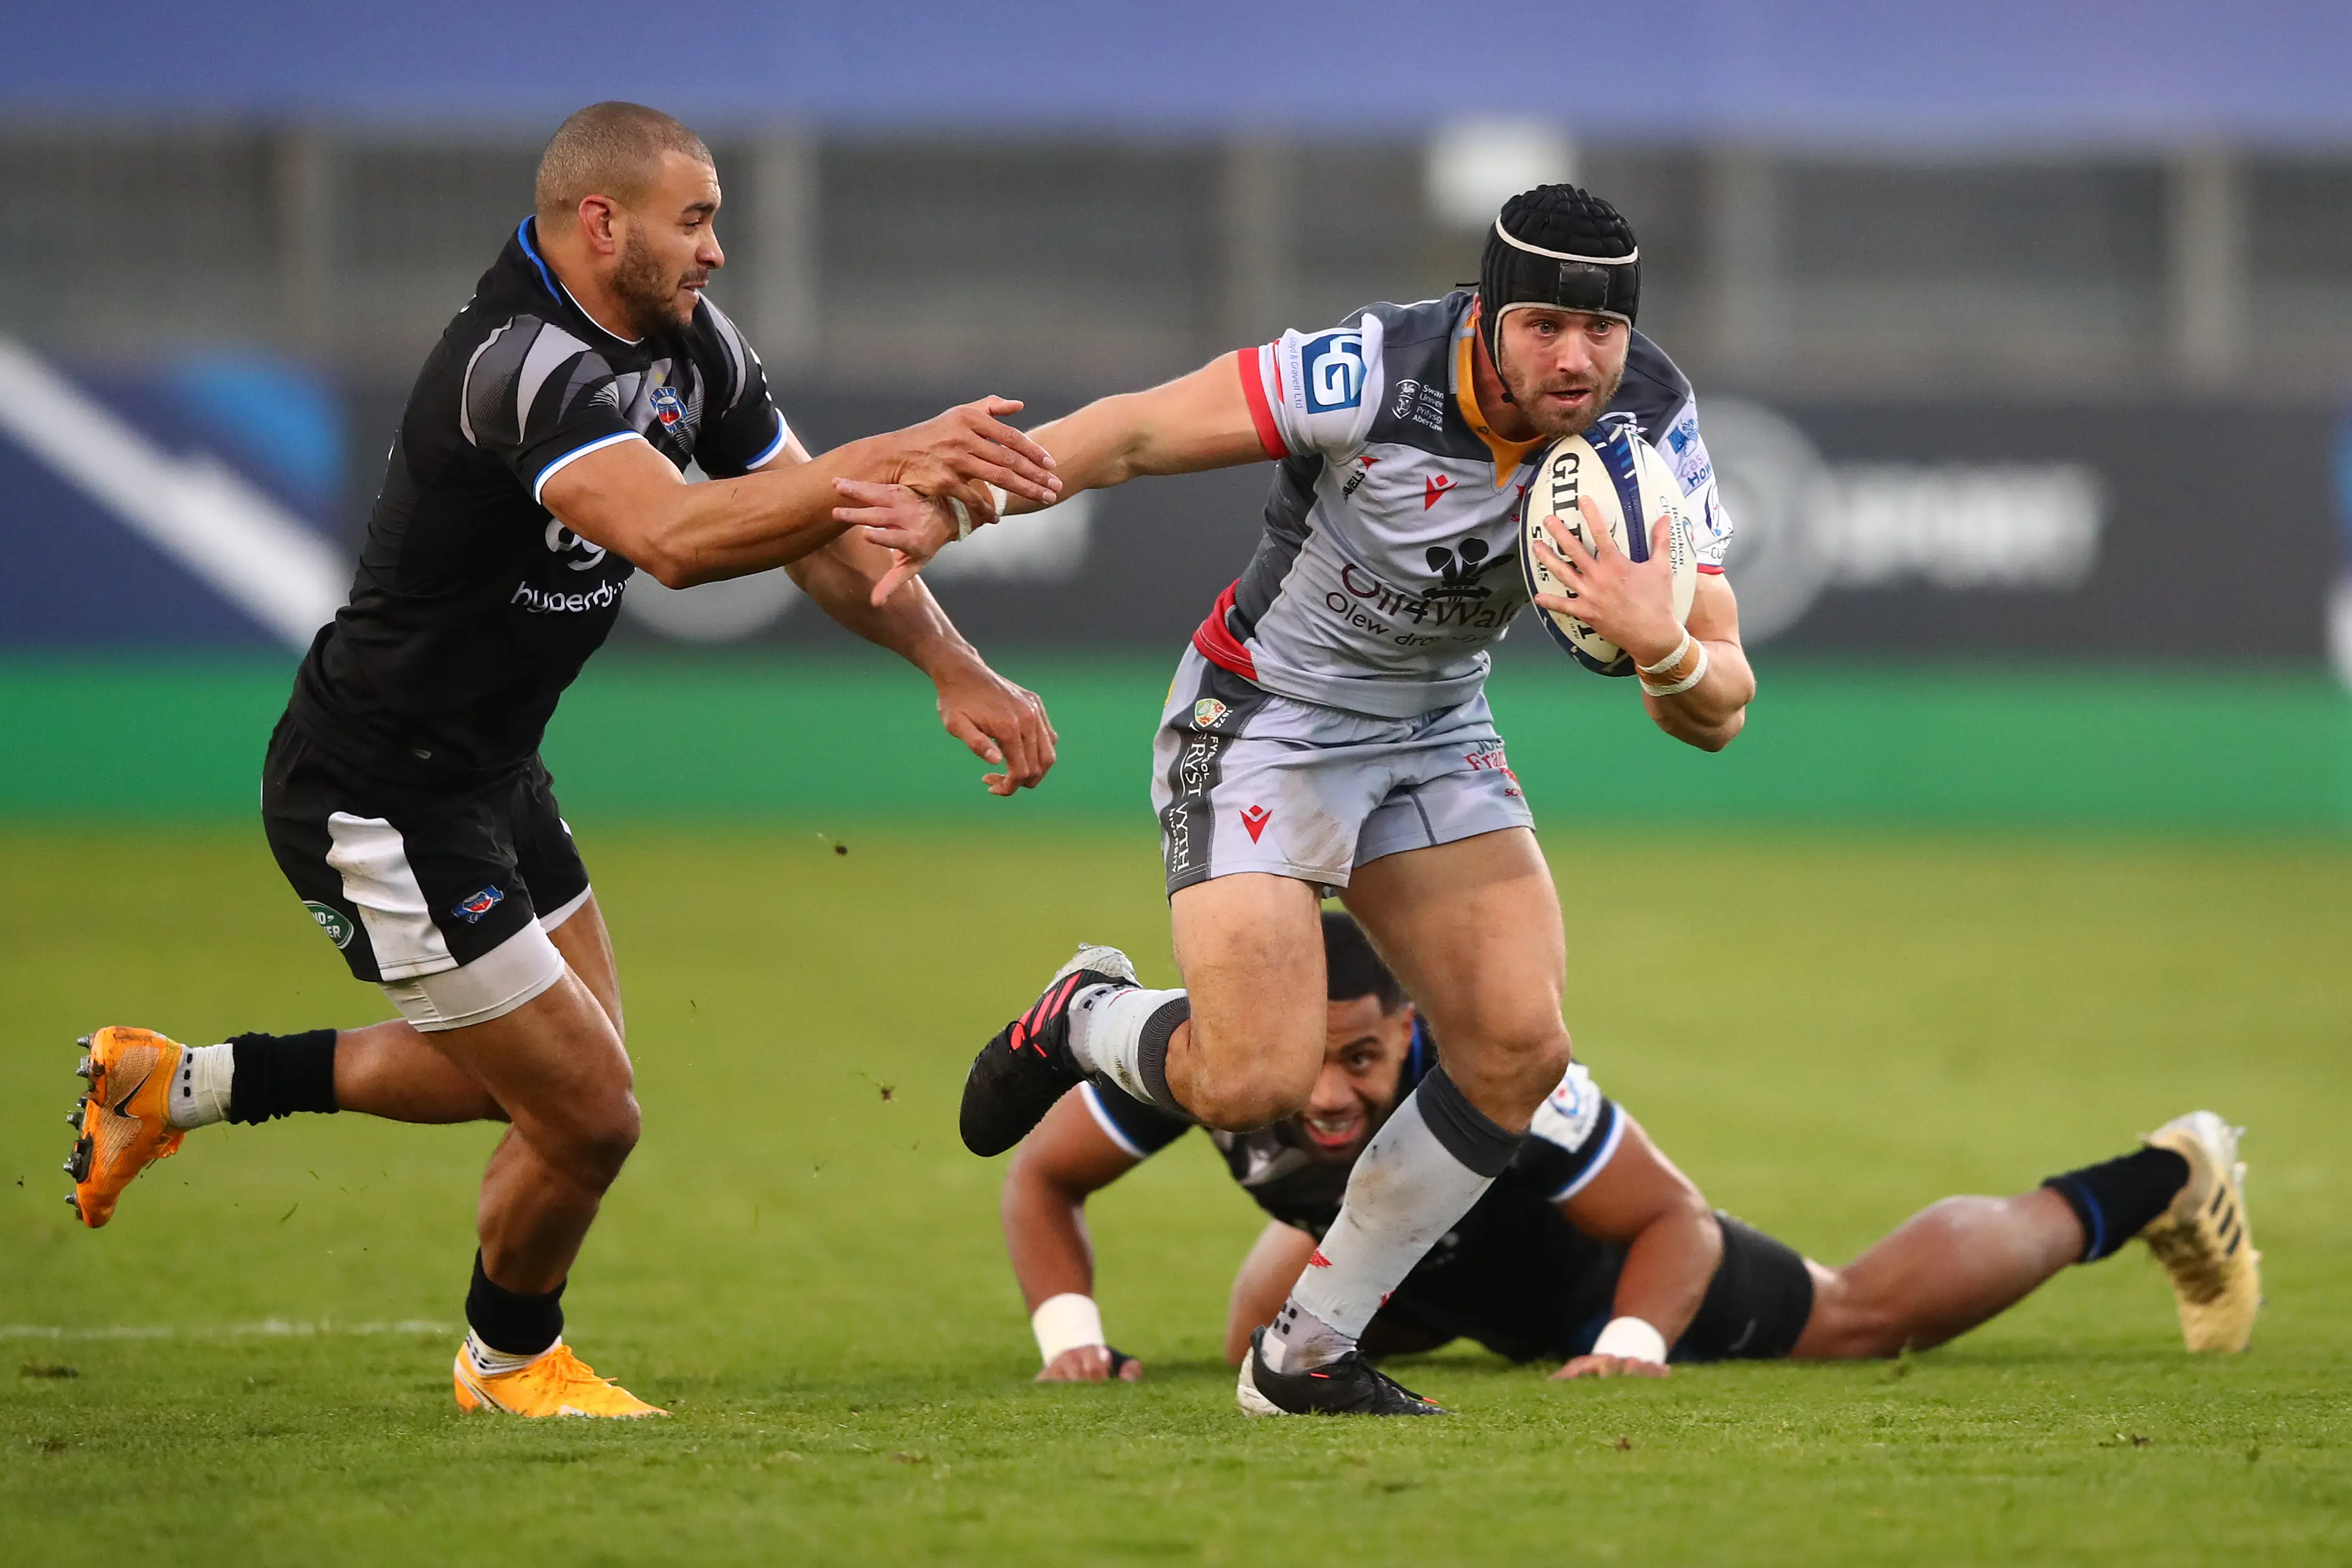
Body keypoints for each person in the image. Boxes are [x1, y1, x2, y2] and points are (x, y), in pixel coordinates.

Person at [60, 101, 1063, 1419]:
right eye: (693, 219)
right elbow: (680, 543)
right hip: (380, 789)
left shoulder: (692, 346)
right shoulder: (518, 366)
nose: (715, 250)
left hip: (493, 774)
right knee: (588, 1115)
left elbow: (819, 529)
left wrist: (954, 666)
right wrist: (887, 456)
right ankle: (509, 1358)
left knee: (549, 1081)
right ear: (604, 222)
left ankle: (176, 1085)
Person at [842, 182, 1753, 1413]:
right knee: (1255, 1079)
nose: (1578, 358)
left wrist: (1666, 646)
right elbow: (1143, 432)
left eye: (1603, 332)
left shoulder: (1653, 424)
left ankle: (1307, 1353)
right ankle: (1084, 1016)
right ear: (1486, 312)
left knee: (1519, 1052)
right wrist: (970, 499)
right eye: (1544, 325)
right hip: (1264, 717)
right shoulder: (1373, 369)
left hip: (1434, 727)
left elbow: (1720, 708)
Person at [1000, 913, 2263, 1392]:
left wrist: (1629, 1348)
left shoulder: (1498, 1074)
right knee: (1252, 1352)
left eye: (1366, 1059)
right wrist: (1073, 1344)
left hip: (1590, 1280)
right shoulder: (1216, 1063)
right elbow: (1041, 1176)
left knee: (1859, 1316)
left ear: (1418, 1027)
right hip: (1421, 1261)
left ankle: (2166, 1177)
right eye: (1307, 1059)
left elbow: (1679, 1226)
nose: (1329, 1097)